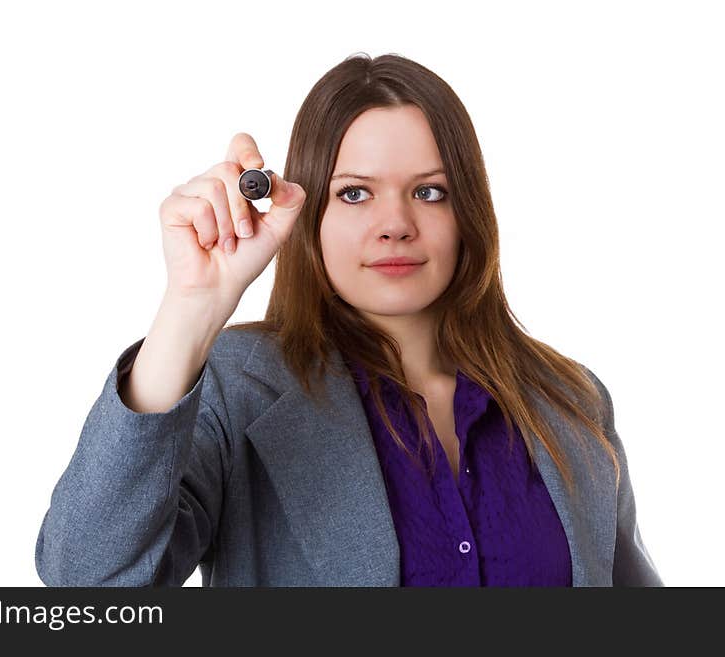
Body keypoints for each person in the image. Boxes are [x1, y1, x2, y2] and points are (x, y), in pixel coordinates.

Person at [34, 52, 663, 587]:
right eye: (354, 193)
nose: (395, 223)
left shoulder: (571, 399)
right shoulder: (238, 388)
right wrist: (190, 311)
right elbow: (89, 580)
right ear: (311, 216)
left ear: (468, 212)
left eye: (430, 191)